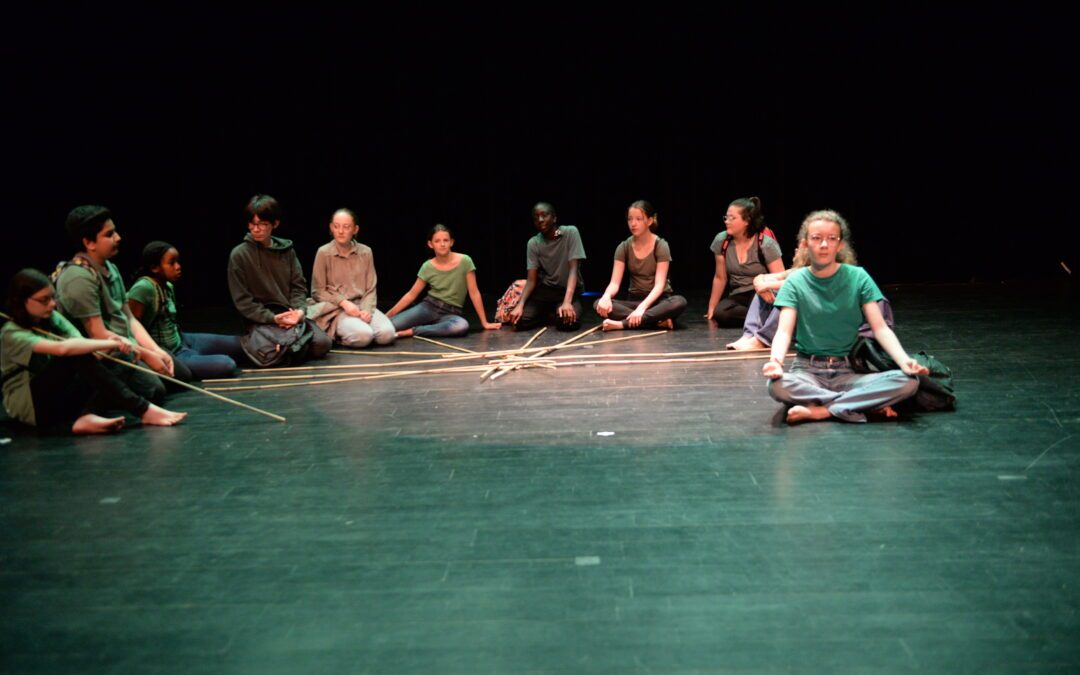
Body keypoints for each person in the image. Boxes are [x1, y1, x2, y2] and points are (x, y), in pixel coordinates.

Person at [762, 210, 927, 424]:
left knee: (908, 382)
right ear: (805, 244)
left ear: (840, 245)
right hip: (807, 371)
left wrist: (904, 362)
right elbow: (783, 331)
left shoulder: (858, 277)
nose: (824, 245)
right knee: (776, 386)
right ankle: (860, 405)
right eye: (817, 238)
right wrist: (776, 361)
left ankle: (823, 410)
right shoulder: (795, 282)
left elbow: (880, 328)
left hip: (848, 370)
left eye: (831, 239)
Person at [2, 269, 186, 434]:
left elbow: (81, 345)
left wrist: (113, 344)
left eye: (52, 297)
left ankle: (87, 415)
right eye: (44, 300)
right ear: (21, 301)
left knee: (121, 357)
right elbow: (64, 349)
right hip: (31, 406)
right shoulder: (11, 333)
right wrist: (106, 343)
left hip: (59, 397)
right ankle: (143, 410)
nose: (51, 304)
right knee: (75, 354)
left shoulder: (51, 318)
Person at [53, 205, 171, 405]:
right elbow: (98, 335)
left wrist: (155, 351)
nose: (118, 238)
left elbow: (129, 318)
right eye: (109, 234)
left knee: (177, 373)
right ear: (89, 242)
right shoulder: (78, 278)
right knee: (155, 390)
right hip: (106, 355)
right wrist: (147, 355)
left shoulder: (111, 267)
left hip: (128, 346)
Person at [227, 194, 331, 365]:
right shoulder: (239, 255)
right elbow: (243, 301)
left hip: (290, 314)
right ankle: (286, 349)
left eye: (262, 224)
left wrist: (298, 311)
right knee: (272, 352)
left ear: (275, 224)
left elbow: (298, 286)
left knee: (323, 344)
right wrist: (273, 318)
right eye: (252, 224)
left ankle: (288, 350)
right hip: (262, 319)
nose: (256, 229)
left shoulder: (287, 250)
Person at [128, 241, 244, 380]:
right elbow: (131, 326)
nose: (178, 267)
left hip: (183, 339)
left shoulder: (168, 285)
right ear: (155, 267)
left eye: (177, 261)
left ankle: (195, 356)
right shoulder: (143, 288)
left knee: (241, 345)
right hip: (171, 352)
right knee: (227, 364)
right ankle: (192, 360)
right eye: (172, 263)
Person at [386, 224, 502, 337]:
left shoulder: (465, 261)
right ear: (430, 244)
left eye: (445, 240)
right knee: (389, 326)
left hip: (452, 312)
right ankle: (429, 325)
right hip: (429, 307)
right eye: (437, 241)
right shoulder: (427, 266)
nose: (442, 244)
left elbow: (474, 293)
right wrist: (388, 315)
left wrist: (484, 322)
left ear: (451, 242)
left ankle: (414, 331)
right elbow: (411, 294)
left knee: (461, 326)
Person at [307, 208, 395, 348]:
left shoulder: (366, 252)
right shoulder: (323, 253)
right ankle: (341, 336)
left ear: (355, 229)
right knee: (364, 336)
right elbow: (317, 291)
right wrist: (343, 302)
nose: (341, 231)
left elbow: (370, 288)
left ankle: (359, 330)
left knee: (387, 334)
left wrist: (366, 310)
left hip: (361, 304)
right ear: (331, 228)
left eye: (346, 227)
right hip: (338, 308)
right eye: (336, 226)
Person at [594, 200, 687, 331]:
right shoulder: (623, 247)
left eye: (638, 219)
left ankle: (623, 324)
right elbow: (614, 283)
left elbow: (659, 285)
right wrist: (606, 297)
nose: (633, 223)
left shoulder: (660, 245)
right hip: (634, 301)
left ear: (649, 221)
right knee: (598, 304)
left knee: (679, 302)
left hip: (657, 302)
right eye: (630, 219)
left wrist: (642, 308)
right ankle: (655, 322)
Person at [706, 196, 785, 327]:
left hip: (761, 293)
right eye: (726, 217)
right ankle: (762, 318)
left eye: (732, 218)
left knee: (767, 307)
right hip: (739, 294)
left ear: (747, 221)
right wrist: (711, 308)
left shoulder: (766, 244)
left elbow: (780, 278)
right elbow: (720, 277)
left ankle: (765, 316)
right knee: (721, 314)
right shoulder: (722, 241)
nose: (727, 221)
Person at [507, 202, 586, 331]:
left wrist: (567, 302)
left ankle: (557, 311)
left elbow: (573, 270)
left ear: (554, 218)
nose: (540, 219)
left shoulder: (570, 233)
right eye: (536, 217)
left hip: (566, 291)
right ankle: (546, 314)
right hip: (545, 291)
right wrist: (520, 305)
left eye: (544, 215)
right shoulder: (534, 243)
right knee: (518, 322)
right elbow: (531, 279)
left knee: (568, 323)